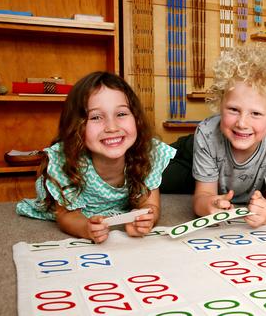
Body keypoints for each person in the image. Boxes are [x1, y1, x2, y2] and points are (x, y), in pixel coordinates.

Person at [16, 72, 176, 243]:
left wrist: (145, 219)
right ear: (76, 126)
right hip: (67, 203)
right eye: (96, 117)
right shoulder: (64, 162)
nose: (112, 127)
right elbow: (66, 215)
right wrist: (85, 228)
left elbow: (150, 205)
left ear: (136, 118)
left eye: (121, 114)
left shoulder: (148, 153)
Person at [192, 43, 266, 228]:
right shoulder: (207, 132)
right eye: (233, 109)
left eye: (255, 113)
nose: (242, 123)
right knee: (162, 172)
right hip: (193, 149)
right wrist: (209, 205)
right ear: (219, 102)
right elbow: (202, 195)